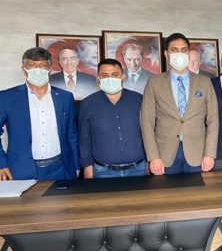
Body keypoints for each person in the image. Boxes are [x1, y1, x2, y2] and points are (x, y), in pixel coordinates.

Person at [140, 32, 219, 175]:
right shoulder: (154, 83)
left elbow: (213, 120)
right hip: (164, 155)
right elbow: (147, 122)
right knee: (167, 190)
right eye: (174, 50)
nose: (179, 54)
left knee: (197, 189)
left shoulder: (204, 82)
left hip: (198, 154)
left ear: (188, 53)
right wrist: (153, 157)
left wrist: (210, 154)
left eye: (184, 50)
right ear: (166, 54)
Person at [0, 47, 79, 181]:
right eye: (32, 65)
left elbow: (72, 134)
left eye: (42, 65)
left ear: (50, 69)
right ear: (24, 69)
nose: (37, 70)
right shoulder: (7, 98)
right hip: (20, 169)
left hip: (60, 168)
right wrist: (1, 164)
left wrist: (75, 164)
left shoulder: (65, 97)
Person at [79, 58, 147, 178]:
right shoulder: (88, 103)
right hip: (104, 172)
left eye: (115, 75)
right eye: (105, 75)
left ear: (123, 76)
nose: (110, 79)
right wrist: (87, 167)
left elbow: (148, 133)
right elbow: (84, 139)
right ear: (98, 78)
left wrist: (151, 161)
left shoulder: (138, 100)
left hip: (139, 169)